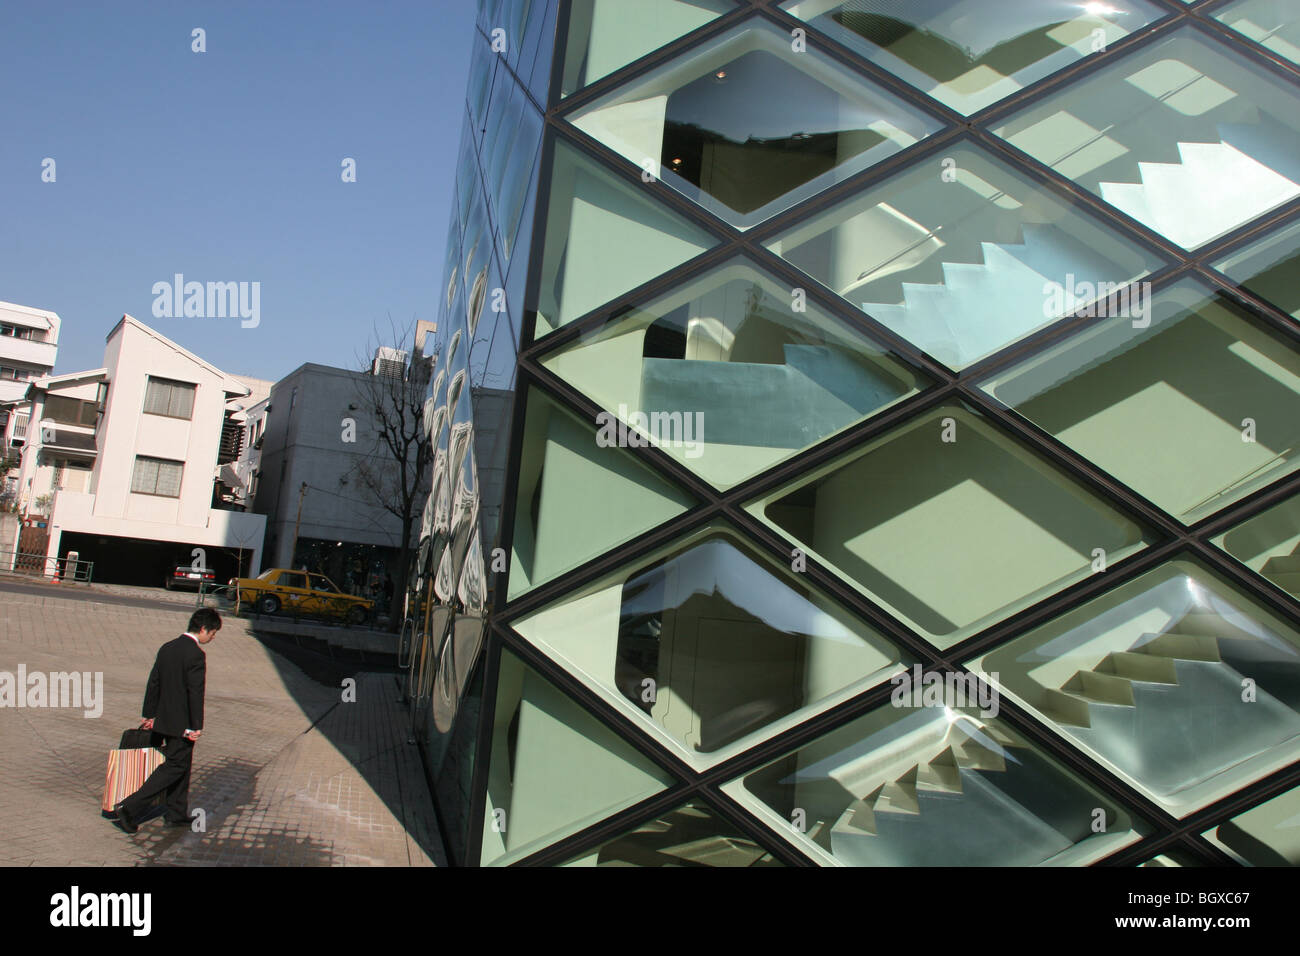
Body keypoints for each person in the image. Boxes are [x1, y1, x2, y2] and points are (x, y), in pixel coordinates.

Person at [111, 608, 220, 833]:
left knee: (183, 765)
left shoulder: (167, 647)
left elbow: (154, 682)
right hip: (182, 724)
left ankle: (176, 813)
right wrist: (195, 726)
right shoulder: (196, 655)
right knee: (174, 766)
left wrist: (149, 714)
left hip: (164, 720)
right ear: (203, 629)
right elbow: (195, 692)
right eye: (213, 633)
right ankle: (129, 808)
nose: (213, 637)